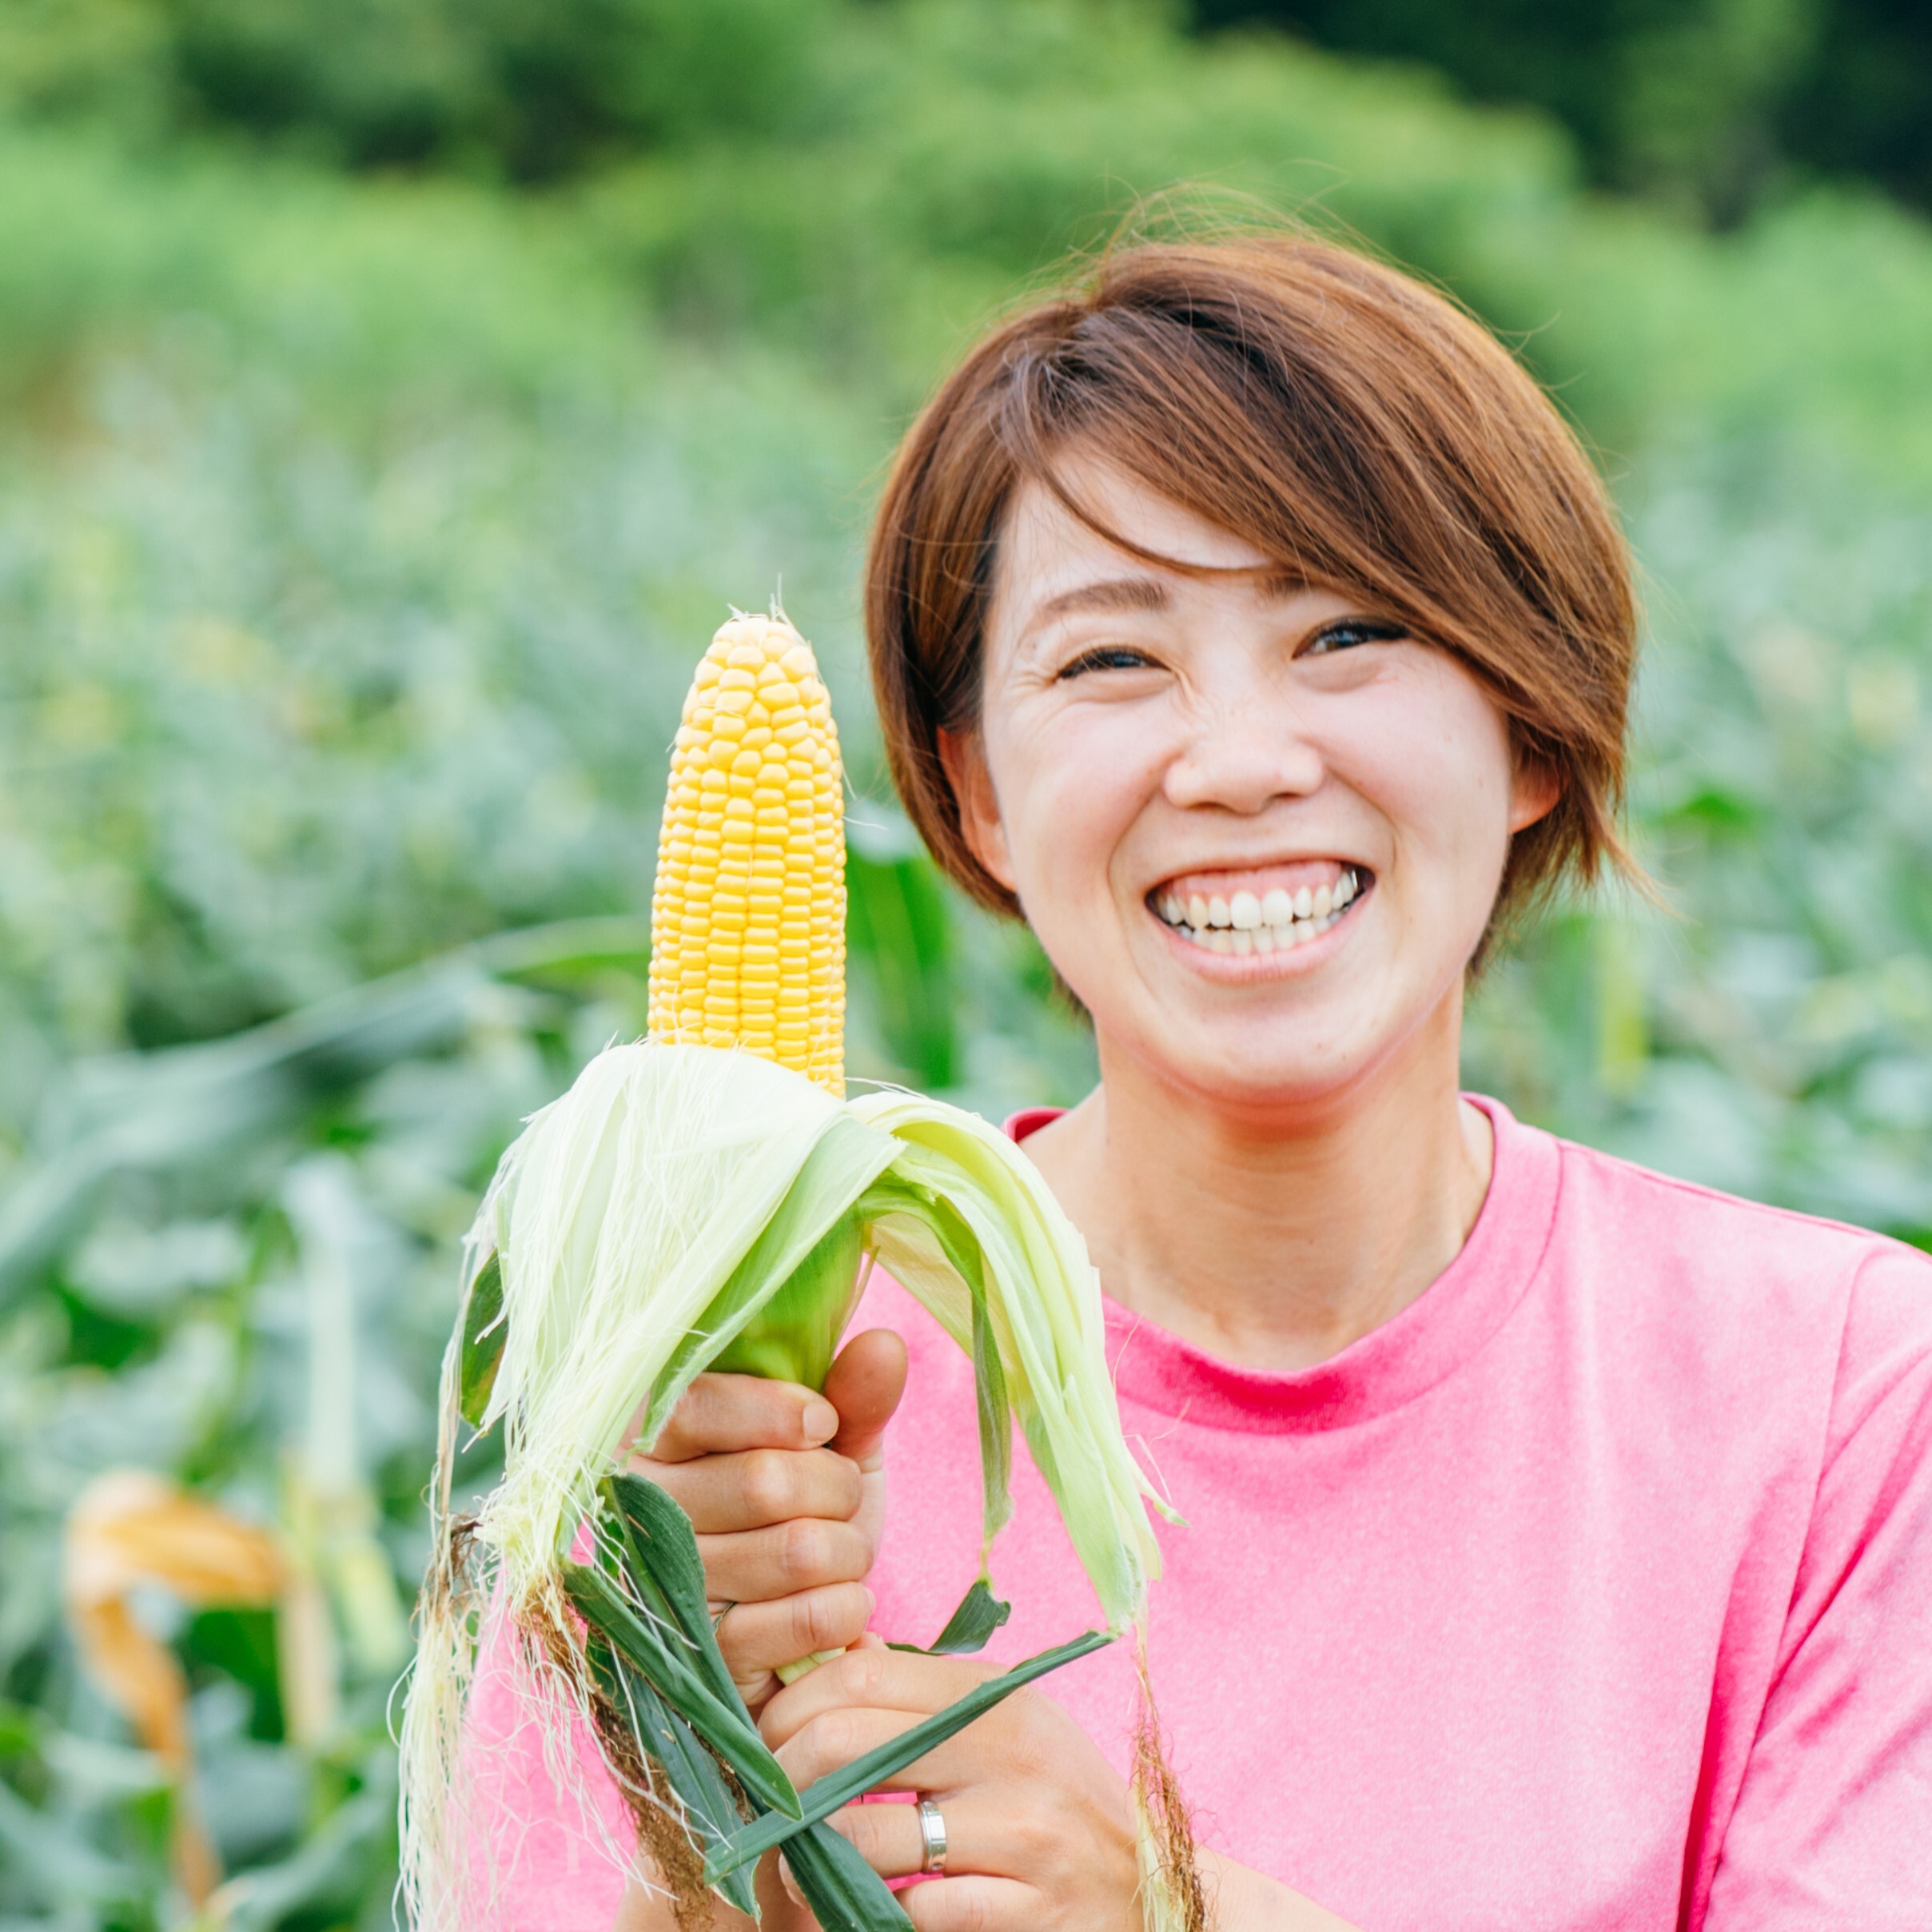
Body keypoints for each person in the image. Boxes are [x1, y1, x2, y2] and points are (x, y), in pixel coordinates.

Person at [477, 230, 1932, 1931]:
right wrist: (695, 1755)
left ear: (1531, 729)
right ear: (979, 793)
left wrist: (1164, 1901)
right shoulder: (698, 1426)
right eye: (1112, 660)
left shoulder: (1847, 1403)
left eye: (1347, 635)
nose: (1241, 764)